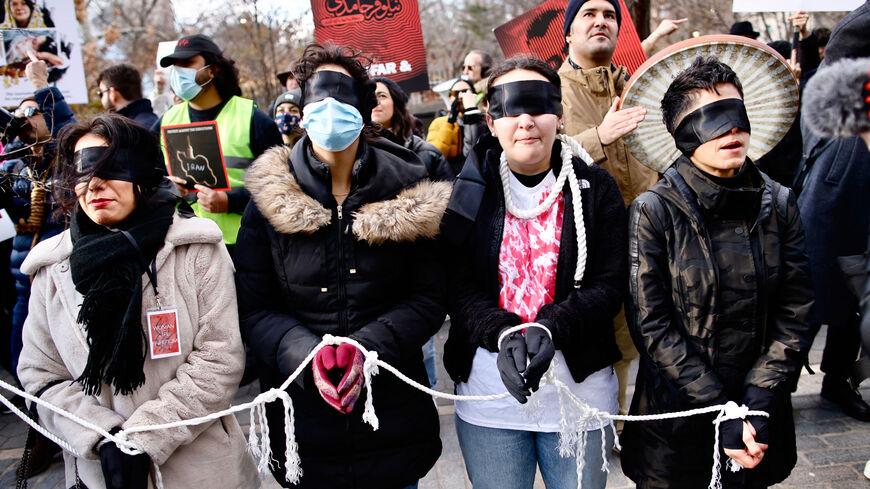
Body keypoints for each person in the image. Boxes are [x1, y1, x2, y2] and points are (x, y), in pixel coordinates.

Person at [235, 43, 449, 489]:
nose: (330, 110)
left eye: (342, 96)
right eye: (318, 97)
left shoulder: (410, 191)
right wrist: (305, 354)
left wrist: (368, 348)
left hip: (391, 415)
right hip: (303, 423)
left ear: (365, 106)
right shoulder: (267, 200)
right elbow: (253, 307)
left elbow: (430, 295)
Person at [16, 113, 258, 489]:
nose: (94, 183)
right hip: (100, 474)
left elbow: (220, 357)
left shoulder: (194, 249)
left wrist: (145, 439)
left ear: (142, 174)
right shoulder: (51, 268)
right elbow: (41, 375)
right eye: (82, 172)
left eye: (110, 168)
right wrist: (102, 437)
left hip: (200, 471)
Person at [621, 56, 815, 489]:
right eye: (712, 118)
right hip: (677, 425)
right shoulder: (653, 211)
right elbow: (651, 326)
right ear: (682, 134)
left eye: (738, 114)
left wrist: (761, 396)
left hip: (760, 413)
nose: (731, 129)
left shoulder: (780, 203)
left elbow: (797, 305)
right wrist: (719, 408)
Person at [441, 56, 626, 489]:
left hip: (579, 396)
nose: (525, 120)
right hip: (490, 396)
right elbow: (456, 283)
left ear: (560, 116)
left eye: (539, 104)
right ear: (491, 120)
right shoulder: (468, 193)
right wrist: (501, 331)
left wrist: (553, 327)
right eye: (510, 107)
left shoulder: (596, 189)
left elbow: (610, 282)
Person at [559, 0, 657, 428]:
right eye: (589, 13)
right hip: (586, 244)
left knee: (653, 333)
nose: (601, 21)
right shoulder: (550, 89)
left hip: (650, 235)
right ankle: (605, 424)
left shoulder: (641, 87)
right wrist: (598, 138)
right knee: (600, 338)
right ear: (568, 32)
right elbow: (539, 155)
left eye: (610, 15)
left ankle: (651, 422)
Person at [794, 0, 870, 422]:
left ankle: (837, 381)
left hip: (858, 203)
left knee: (854, 302)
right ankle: (774, 387)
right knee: (807, 299)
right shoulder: (837, 86)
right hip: (829, 206)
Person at [155, 34, 282, 254]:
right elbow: (146, 179)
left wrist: (230, 202)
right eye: (175, 67)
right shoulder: (166, 121)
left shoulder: (253, 119)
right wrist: (169, 188)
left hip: (245, 246)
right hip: (186, 244)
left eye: (186, 64)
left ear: (212, 70)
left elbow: (281, 188)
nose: (178, 73)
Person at [372, 76, 452, 182]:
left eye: (382, 96)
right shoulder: (355, 154)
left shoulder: (428, 153)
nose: (375, 102)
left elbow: (450, 195)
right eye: (369, 97)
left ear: (396, 104)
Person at [426, 77, 487, 176]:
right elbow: (434, 156)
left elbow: (472, 155)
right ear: (450, 99)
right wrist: (450, 122)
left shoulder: (485, 121)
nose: (461, 97)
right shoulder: (439, 123)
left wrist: (471, 113)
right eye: (455, 93)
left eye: (466, 92)